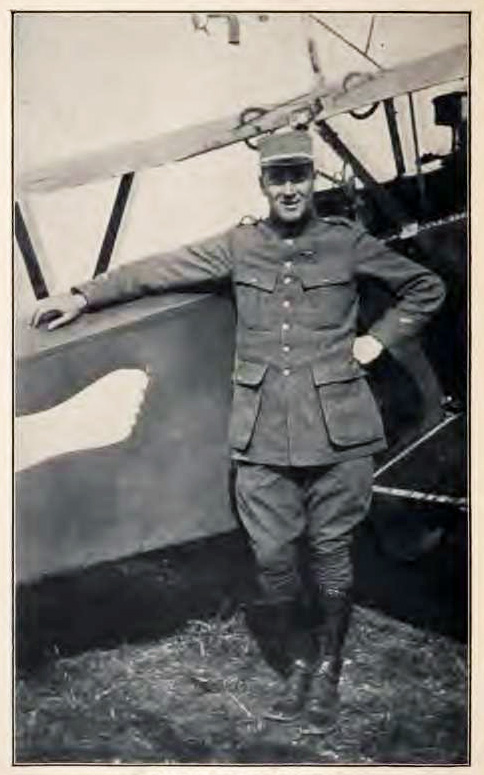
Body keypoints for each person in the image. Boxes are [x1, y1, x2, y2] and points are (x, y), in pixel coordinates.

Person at [31, 129, 446, 724]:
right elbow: (158, 270)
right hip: (263, 436)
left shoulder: (344, 243)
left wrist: (377, 343)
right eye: (278, 178)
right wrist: (83, 294)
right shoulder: (239, 245)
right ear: (263, 184)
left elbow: (425, 286)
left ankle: (325, 670)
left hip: (340, 433)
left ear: (310, 180)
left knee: (331, 554)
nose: (290, 188)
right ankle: (298, 659)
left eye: (299, 175)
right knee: (274, 557)